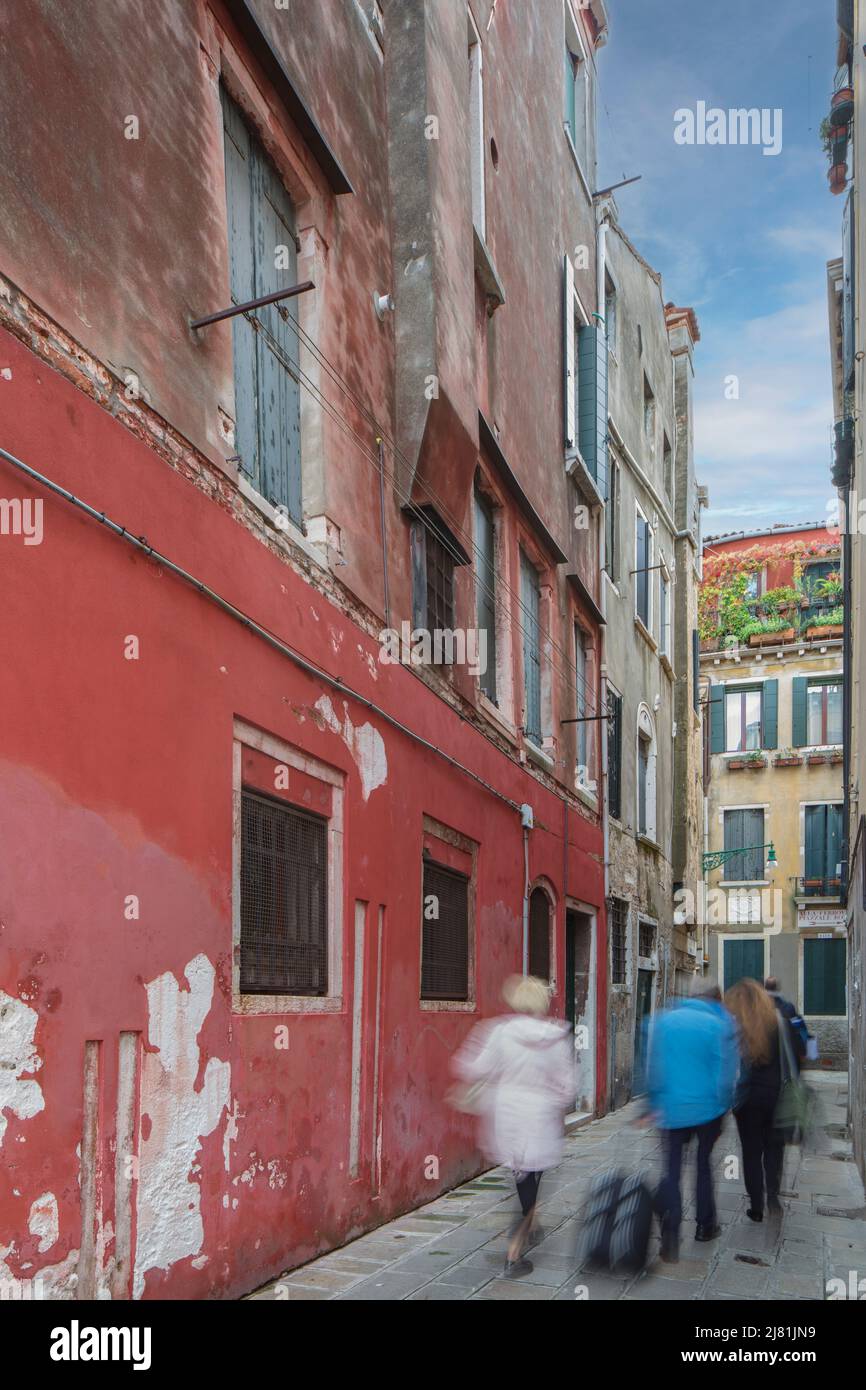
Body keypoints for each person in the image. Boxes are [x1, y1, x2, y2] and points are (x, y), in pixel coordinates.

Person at [452, 974, 574, 1278]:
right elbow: (568, 1089)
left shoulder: (499, 1032)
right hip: (539, 1117)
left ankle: (530, 1223)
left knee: (522, 1178)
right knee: (531, 1182)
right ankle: (513, 1255)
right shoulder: (556, 1037)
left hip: (507, 1116)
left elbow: (471, 1066)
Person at [645, 981, 739, 1263]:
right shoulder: (720, 1026)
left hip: (672, 1109)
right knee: (703, 1166)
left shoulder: (663, 1021)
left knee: (672, 1170)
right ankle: (704, 1226)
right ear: (714, 999)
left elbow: (654, 1068)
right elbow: (726, 1073)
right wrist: (724, 1106)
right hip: (708, 1110)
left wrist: (652, 1104)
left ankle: (670, 1238)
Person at [726, 976, 800, 1222]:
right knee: (774, 1150)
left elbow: (731, 1067)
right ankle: (773, 1197)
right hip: (776, 1096)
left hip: (748, 1102)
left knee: (750, 1153)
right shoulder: (781, 1022)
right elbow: (796, 1057)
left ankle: (756, 1206)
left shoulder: (739, 1027)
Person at [764, 976, 808, 1068]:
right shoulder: (788, 1008)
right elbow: (798, 1031)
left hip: (765, 1057)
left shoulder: (759, 1009)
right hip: (786, 1056)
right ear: (778, 988)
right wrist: (802, 1051)